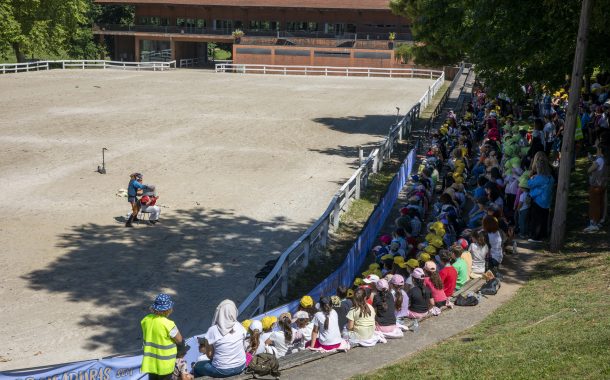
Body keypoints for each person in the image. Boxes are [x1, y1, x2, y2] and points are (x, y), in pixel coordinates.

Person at [194, 300, 247, 378]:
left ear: (219, 312)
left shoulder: (213, 330)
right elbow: (243, 347)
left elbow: (210, 356)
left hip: (222, 370)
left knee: (197, 366)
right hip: (241, 366)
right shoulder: (239, 326)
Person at [141, 294, 184, 380]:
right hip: (165, 365)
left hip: (150, 363)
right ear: (168, 310)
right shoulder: (169, 324)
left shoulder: (146, 320)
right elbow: (179, 340)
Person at [527, 155, 555, 242]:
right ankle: (543, 235)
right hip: (547, 201)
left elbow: (529, 184)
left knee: (536, 219)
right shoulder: (550, 178)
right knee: (544, 219)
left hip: (538, 201)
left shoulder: (539, 178)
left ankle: (535, 237)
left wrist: (531, 178)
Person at [584, 146, 607, 232]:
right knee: (599, 204)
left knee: (594, 205)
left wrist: (591, 163)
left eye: (597, 147)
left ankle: (594, 223)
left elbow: (590, 170)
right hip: (601, 185)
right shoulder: (602, 159)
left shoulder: (599, 160)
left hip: (596, 186)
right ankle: (597, 222)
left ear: (600, 149)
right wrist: (592, 159)